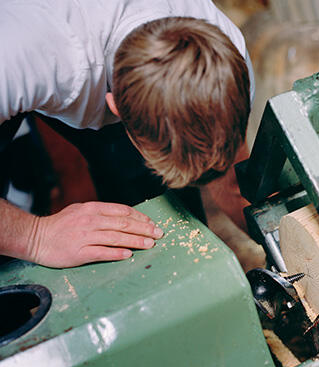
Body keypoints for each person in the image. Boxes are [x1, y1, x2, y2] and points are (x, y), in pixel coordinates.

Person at [0, 0, 254, 268]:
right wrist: (35, 237)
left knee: (150, 200)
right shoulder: (23, 58)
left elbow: (232, 178)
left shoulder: (228, 53)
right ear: (115, 107)